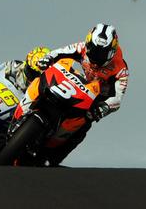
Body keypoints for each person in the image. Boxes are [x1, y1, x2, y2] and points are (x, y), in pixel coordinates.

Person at [36, 23, 130, 165]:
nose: (95, 55)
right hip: (72, 83)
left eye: (102, 53)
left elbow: (117, 99)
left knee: (84, 125)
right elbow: (58, 53)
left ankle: (52, 159)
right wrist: (47, 58)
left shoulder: (120, 69)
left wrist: (104, 107)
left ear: (111, 51)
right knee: (39, 82)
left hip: (92, 100)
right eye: (92, 49)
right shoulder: (82, 47)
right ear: (88, 42)